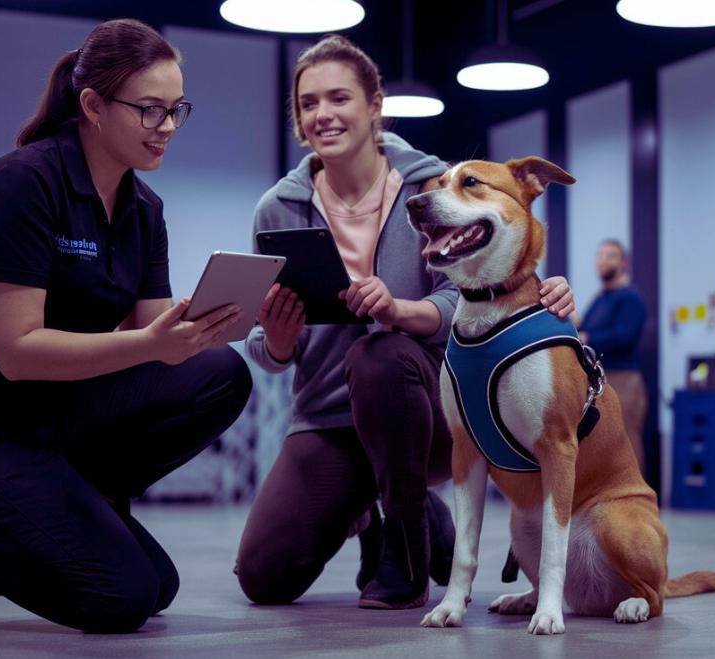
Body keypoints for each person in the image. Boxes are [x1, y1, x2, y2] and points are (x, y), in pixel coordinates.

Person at [0, 19, 252, 633]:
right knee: (124, 597)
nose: (167, 127)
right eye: (149, 110)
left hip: (47, 418)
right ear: (91, 105)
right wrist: (150, 341)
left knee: (220, 375)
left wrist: (205, 326)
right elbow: (16, 352)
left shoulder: (144, 210)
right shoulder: (23, 184)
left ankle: (79, 494)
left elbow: (154, 342)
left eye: (176, 110)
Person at [235, 35, 576, 610]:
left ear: (374, 105)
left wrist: (399, 310)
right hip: (329, 420)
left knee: (381, 355)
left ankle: (409, 544)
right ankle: (395, 512)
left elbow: (465, 296)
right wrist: (277, 340)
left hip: (430, 409)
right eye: (308, 103)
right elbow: (266, 347)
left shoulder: (438, 187)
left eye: (339, 98)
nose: (323, 114)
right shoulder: (277, 208)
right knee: (264, 578)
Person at [578, 238, 648, 476]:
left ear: (623, 263)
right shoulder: (600, 298)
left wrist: (588, 338)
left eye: (610, 256)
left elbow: (624, 336)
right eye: (599, 255)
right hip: (602, 382)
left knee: (626, 441)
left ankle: (635, 501)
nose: (602, 261)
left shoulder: (630, 298)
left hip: (624, 379)